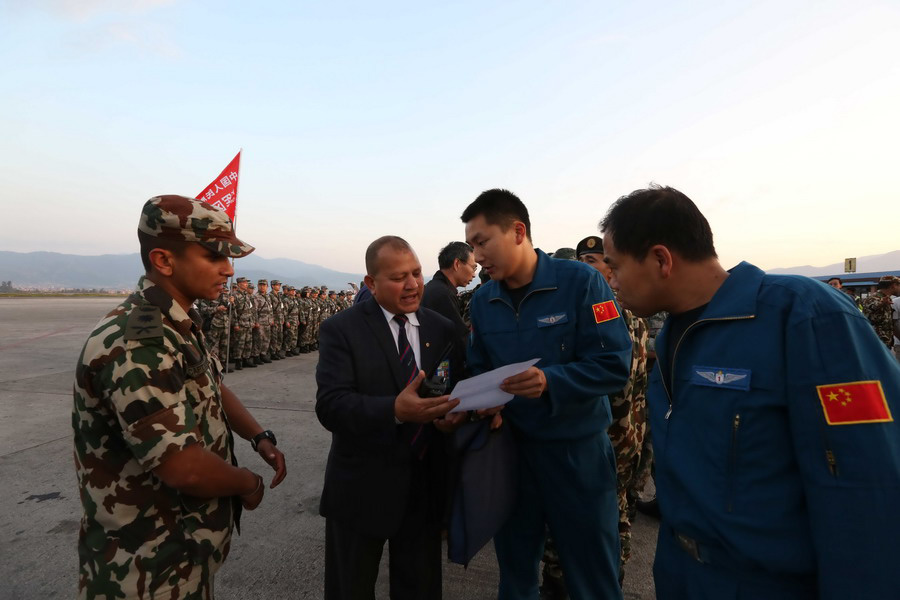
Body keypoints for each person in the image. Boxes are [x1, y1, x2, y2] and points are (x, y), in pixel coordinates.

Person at [599, 185, 900, 599]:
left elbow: (869, 482)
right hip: (682, 573)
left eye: (615, 266)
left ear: (660, 259)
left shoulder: (805, 315)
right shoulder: (672, 335)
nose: (611, 280)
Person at [72, 195, 287, 600]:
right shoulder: (140, 341)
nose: (229, 269)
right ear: (164, 261)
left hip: (180, 551)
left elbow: (211, 385)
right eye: (214, 256)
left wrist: (258, 437)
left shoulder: (176, 322)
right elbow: (183, 467)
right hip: (144, 567)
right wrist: (247, 483)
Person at [461, 189, 632, 600]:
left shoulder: (582, 283)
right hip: (512, 452)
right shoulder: (484, 301)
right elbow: (479, 367)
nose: (476, 256)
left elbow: (614, 364)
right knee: (515, 571)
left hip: (576, 453)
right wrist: (483, 406)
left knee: (592, 572)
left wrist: (551, 381)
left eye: (482, 242)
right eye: (471, 247)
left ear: (518, 232)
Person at [315, 235, 465, 600]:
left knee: (420, 588)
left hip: (423, 487)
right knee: (350, 588)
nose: (412, 284)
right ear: (371, 283)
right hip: (361, 487)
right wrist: (393, 411)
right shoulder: (341, 329)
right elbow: (331, 405)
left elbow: (450, 388)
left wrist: (451, 417)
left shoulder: (441, 328)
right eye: (399, 277)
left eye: (416, 273)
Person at [574, 235, 649, 586]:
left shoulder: (609, 313)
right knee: (610, 513)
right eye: (581, 261)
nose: (585, 268)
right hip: (622, 436)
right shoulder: (619, 313)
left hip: (614, 437)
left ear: (610, 269)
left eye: (593, 261)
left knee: (603, 516)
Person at [422, 241, 478, 352]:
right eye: (473, 268)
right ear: (457, 264)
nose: (474, 274)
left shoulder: (434, 287)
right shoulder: (442, 294)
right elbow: (460, 338)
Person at [861, 275, 900, 350]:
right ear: (894, 286)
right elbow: (872, 308)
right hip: (875, 342)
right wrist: (881, 304)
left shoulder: (887, 299)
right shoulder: (873, 299)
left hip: (885, 342)